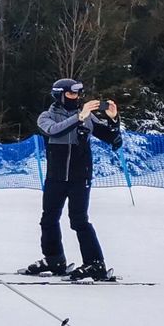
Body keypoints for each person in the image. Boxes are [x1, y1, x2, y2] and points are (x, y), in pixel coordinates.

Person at [28, 78, 121, 279]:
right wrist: (79, 117)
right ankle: (54, 259)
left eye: (78, 94)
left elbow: (114, 140)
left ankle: (95, 264)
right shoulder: (47, 116)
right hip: (56, 177)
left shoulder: (87, 117)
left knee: (79, 220)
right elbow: (54, 130)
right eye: (71, 94)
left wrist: (113, 120)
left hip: (80, 177)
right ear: (59, 95)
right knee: (48, 219)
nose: (76, 97)